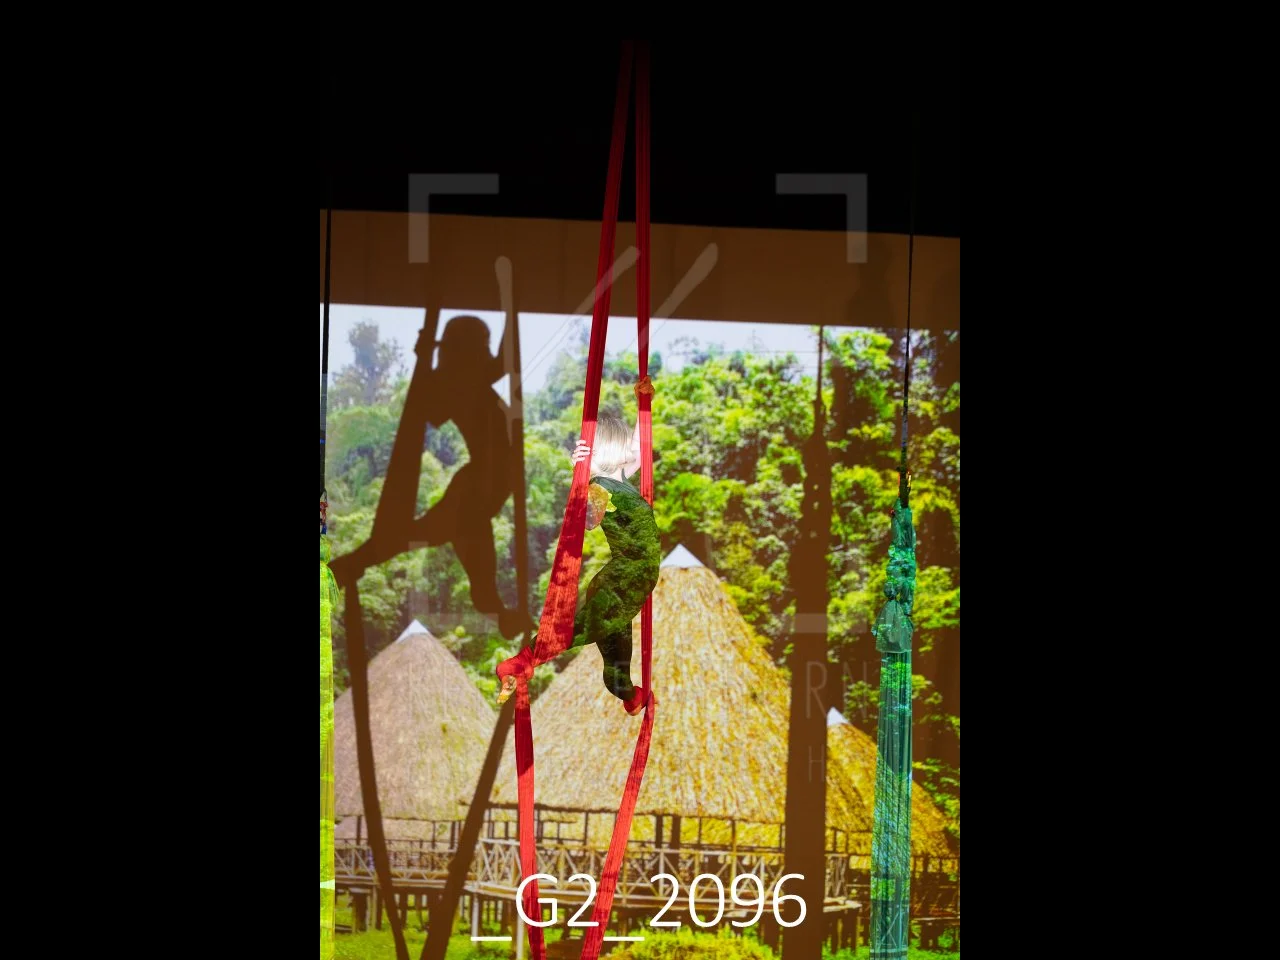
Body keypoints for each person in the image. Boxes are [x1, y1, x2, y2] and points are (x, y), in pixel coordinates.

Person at [330, 314, 526, 639]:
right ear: (470, 352)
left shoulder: (463, 381)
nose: (486, 354)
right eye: (482, 348)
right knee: (426, 543)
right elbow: (500, 364)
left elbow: (499, 365)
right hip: (479, 488)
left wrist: (511, 311)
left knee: (421, 541)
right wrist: (511, 309)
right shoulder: (461, 383)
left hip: (482, 486)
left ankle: (350, 565)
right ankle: (350, 565)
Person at [496, 414, 661, 714]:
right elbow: (586, 522)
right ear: (611, 447)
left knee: (616, 662)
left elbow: (640, 447)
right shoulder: (600, 487)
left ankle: (630, 696)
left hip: (620, 582)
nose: (631, 445)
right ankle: (523, 661)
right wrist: (582, 476)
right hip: (625, 581)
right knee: (578, 629)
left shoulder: (621, 478)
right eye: (624, 440)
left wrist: (644, 404)